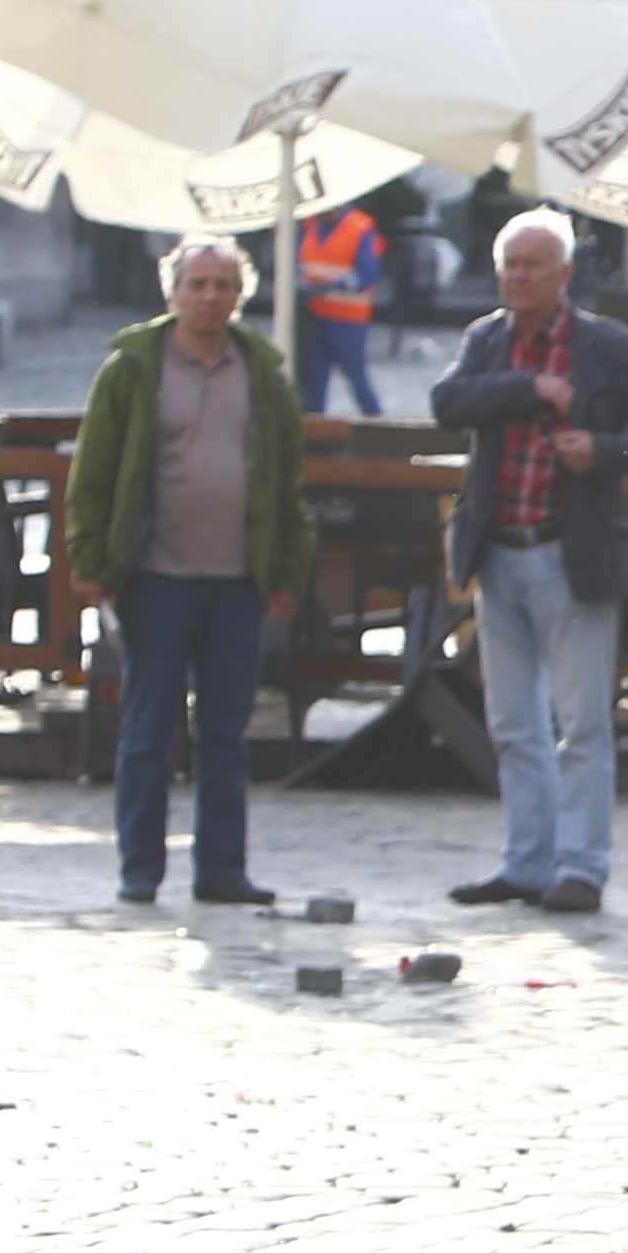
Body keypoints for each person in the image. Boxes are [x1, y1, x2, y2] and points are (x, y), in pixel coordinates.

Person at [427, 209, 628, 918]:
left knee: (581, 725)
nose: (517, 277)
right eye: (509, 265)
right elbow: (446, 402)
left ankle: (580, 867)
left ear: (564, 275)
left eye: (531, 266)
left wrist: (602, 452)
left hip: (568, 555)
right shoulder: (488, 339)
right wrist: (527, 389)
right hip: (498, 554)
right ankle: (526, 862)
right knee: (513, 725)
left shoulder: (603, 344)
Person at [64, 235, 317, 911]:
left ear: (241, 295)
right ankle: (140, 868)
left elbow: (286, 481)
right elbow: (94, 472)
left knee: (226, 735)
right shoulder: (133, 369)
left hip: (237, 579)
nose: (210, 296)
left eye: (223, 286)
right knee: (149, 728)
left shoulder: (262, 373)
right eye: (198, 284)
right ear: (172, 292)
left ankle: (221, 870)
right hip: (156, 576)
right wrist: (90, 560)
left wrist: (287, 569)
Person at [292, 201, 387, 413]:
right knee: (313, 382)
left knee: (357, 378)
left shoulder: (360, 227)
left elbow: (367, 275)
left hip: (348, 320)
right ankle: (314, 435)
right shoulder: (311, 225)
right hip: (314, 317)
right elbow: (299, 264)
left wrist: (332, 285)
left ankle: (378, 425)